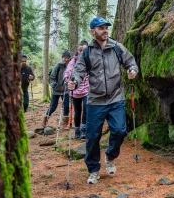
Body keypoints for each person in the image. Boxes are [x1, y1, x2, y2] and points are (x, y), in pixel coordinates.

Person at [68, 17, 138, 185]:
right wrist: (74, 81)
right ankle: (93, 169)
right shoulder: (87, 52)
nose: (105, 30)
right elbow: (78, 71)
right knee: (92, 137)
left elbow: (131, 61)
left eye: (106, 27)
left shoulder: (116, 47)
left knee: (120, 131)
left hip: (116, 98)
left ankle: (110, 156)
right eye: (101, 28)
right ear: (93, 32)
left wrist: (132, 70)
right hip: (95, 101)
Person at [63, 40, 89, 140]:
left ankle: (84, 129)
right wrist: (66, 79)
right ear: (78, 50)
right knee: (77, 111)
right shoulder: (73, 61)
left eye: (84, 50)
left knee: (86, 108)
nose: (82, 52)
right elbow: (67, 72)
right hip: (75, 90)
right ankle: (77, 129)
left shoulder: (90, 59)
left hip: (87, 89)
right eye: (80, 50)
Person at [42, 51, 71, 128]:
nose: (66, 59)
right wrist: (53, 83)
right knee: (53, 106)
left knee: (66, 106)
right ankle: (46, 117)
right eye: (65, 58)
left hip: (66, 90)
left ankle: (65, 123)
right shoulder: (58, 66)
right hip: (56, 90)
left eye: (68, 58)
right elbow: (52, 77)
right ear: (62, 58)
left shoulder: (70, 66)